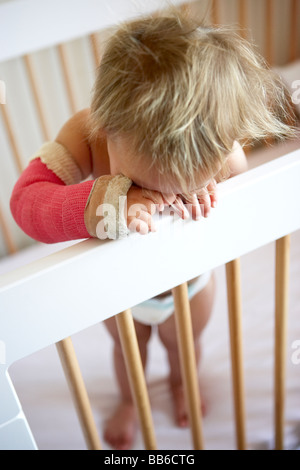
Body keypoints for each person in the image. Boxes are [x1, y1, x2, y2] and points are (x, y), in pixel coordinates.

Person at [10, 11, 294, 450]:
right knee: (128, 350)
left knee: (185, 346)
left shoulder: (219, 146)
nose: (159, 199)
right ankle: (129, 401)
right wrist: (102, 200)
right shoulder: (88, 133)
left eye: (186, 186)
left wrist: (216, 186)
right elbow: (25, 202)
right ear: (108, 128)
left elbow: (244, 193)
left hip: (190, 284)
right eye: (141, 185)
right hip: (120, 290)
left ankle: (183, 384)